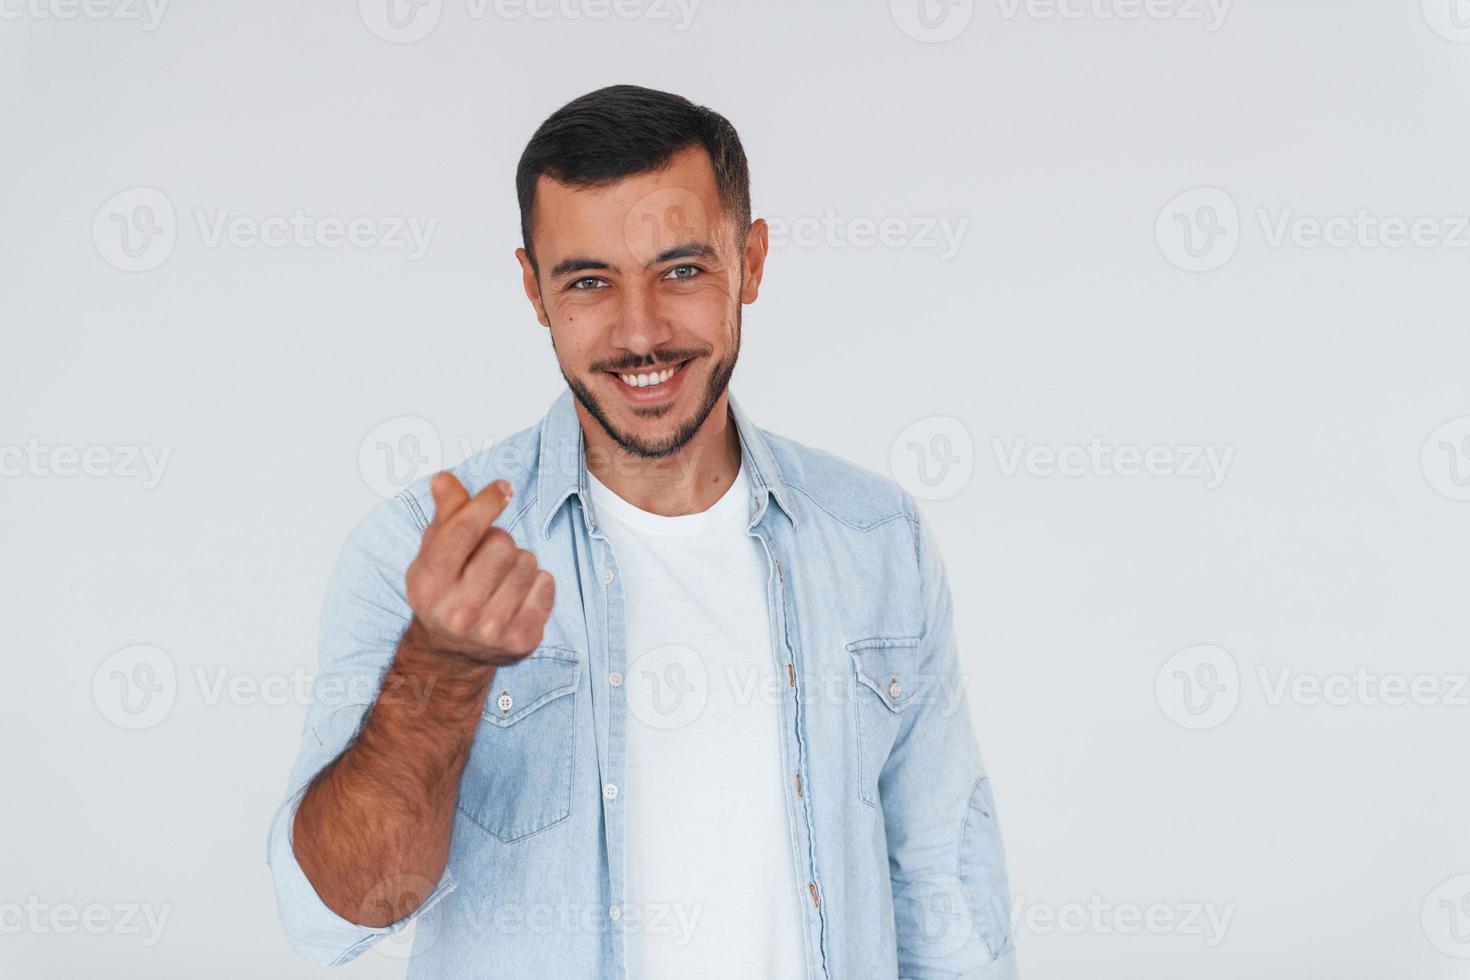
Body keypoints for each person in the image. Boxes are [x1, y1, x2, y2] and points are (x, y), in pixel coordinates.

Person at [267, 83, 1018, 980]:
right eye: (588, 281)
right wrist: (443, 665)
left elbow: (943, 901)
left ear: (753, 260)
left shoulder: (875, 537)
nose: (641, 332)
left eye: (682, 270)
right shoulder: (420, 553)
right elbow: (345, 910)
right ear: (534, 291)